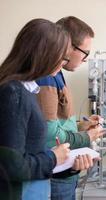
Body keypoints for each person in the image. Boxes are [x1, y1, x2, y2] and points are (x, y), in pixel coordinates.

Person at [0, 18, 87, 200]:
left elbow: (31, 157)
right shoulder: (13, 93)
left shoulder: (27, 91)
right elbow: (12, 167)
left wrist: (68, 166)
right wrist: (53, 157)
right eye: (62, 58)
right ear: (44, 54)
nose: (63, 63)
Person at [36, 16, 105, 200]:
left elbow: (56, 122)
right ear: (68, 46)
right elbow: (51, 135)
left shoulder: (57, 74)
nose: (85, 60)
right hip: (54, 180)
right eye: (85, 53)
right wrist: (86, 137)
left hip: (64, 176)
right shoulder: (47, 77)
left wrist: (80, 126)